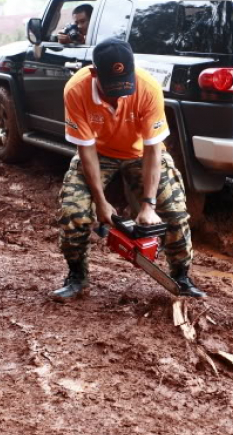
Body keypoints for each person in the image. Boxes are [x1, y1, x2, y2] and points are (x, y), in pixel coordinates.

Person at [52, 38, 206, 301]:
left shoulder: (148, 88)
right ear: (94, 73)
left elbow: (153, 149)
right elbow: (86, 151)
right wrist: (101, 204)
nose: (120, 94)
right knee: (74, 212)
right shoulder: (76, 90)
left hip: (139, 154)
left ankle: (181, 275)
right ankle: (77, 276)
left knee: (174, 210)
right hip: (98, 153)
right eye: (112, 88)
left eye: (124, 86)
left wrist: (147, 205)